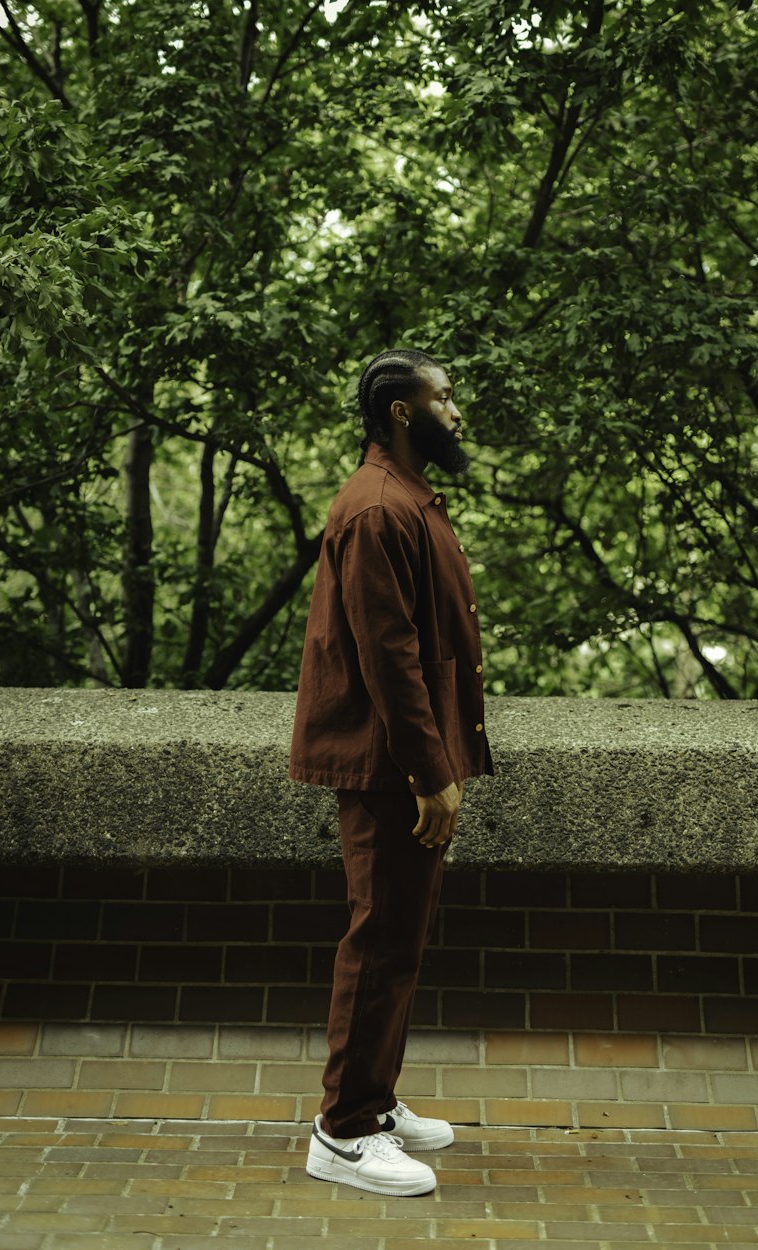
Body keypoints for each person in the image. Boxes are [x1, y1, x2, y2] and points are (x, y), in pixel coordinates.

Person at [288, 348, 493, 1197]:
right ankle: (342, 1131)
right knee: (379, 942)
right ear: (402, 412)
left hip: (401, 759)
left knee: (399, 938)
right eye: (444, 397)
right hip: (387, 764)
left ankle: (374, 1102)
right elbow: (389, 652)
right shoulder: (376, 508)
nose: (457, 410)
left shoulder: (405, 497)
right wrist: (428, 770)